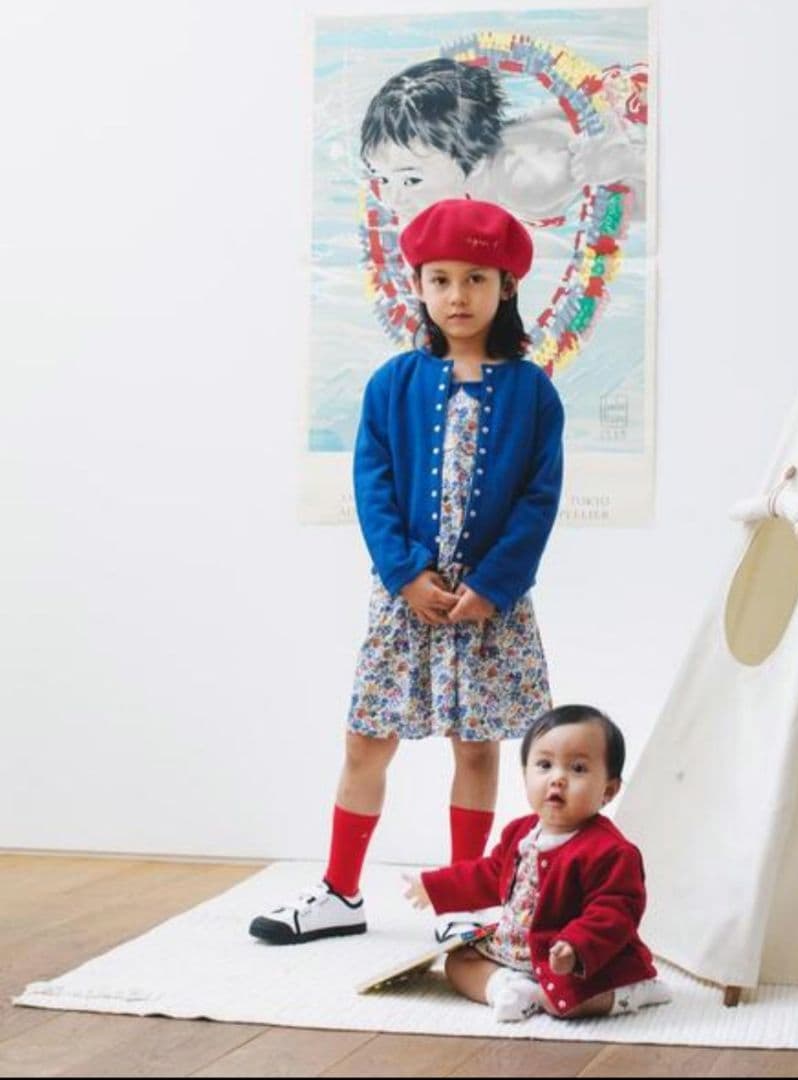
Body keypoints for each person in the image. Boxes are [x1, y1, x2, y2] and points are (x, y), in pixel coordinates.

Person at [249, 198, 564, 945]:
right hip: (406, 600)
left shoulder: (533, 392)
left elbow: (538, 497)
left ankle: (462, 901)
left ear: (506, 287)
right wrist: (406, 575)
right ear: (417, 286)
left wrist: (492, 586)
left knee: (477, 746)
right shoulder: (392, 384)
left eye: (476, 279)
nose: (457, 296)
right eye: (440, 279)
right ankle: (340, 892)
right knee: (366, 740)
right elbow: (374, 484)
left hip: (489, 604)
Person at [403, 705, 671, 1022]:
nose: (558, 779)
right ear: (526, 775)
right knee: (457, 962)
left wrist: (575, 947)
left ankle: (634, 992)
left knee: (566, 1002)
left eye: (578, 769)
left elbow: (614, 911)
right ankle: (505, 987)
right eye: (544, 765)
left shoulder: (611, 851)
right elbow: (489, 874)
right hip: (516, 949)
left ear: (608, 790)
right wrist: (436, 887)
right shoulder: (520, 832)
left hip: (577, 959)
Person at [361, 57, 643, 225]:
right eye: (382, 178)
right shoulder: (469, 170)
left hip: (633, 115)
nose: (391, 200)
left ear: (476, 166)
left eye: (410, 181)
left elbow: (634, 157)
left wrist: (625, 161)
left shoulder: (527, 181)